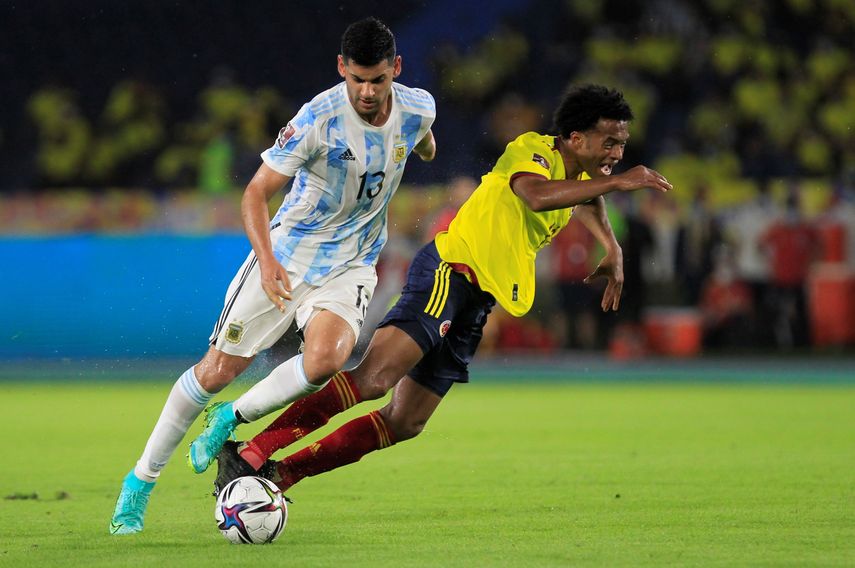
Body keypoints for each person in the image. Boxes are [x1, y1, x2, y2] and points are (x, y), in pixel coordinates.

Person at [201, 84, 672, 496]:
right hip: (451, 271)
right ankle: (253, 452)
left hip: (480, 297)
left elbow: (587, 194)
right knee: (375, 378)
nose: (616, 153)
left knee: (406, 421)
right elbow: (535, 194)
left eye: (622, 144)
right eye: (609, 142)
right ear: (575, 138)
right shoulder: (534, 150)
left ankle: (281, 474)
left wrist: (611, 246)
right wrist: (625, 183)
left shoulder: (582, 175)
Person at [108, 16, 436, 535]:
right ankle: (139, 483)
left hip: (351, 262)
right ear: (341, 70)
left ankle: (230, 417)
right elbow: (255, 193)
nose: (368, 92)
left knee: (326, 360)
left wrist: (423, 146)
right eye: (357, 80)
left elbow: (422, 138)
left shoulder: (419, 106)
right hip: (288, 254)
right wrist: (266, 260)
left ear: (395, 69)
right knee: (214, 372)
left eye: (378, 79)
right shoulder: (316, 121)